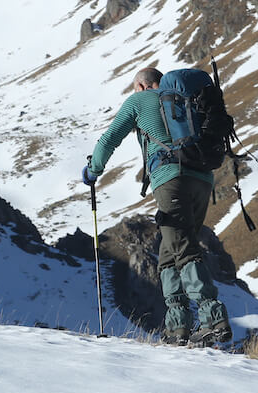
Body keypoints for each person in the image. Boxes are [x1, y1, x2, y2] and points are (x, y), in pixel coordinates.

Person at [82, 67, 231, 345]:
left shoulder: (138, 101)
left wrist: (93, 170)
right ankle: (178, 326)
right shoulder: (183, 98)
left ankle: (213, 318)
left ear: (141, 85)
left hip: (169, 177)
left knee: (183, 246)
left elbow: (111, 137)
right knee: (169, 248)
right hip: (202, 178)